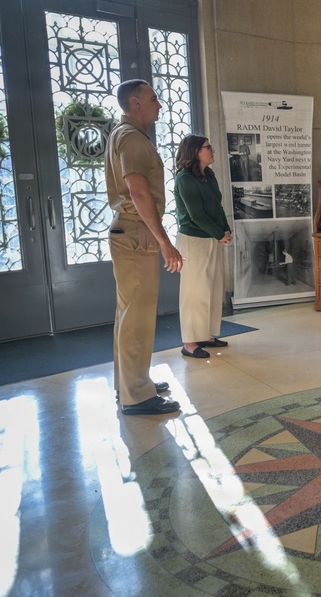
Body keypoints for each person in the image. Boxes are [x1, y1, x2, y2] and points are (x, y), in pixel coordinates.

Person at [105, 79, 183, 415]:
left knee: (128, 313)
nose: (160, 104)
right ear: (135, 103)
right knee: (136, 315)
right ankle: (136, 395)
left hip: (130, 233)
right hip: (137, 234)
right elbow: (138, 194)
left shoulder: (122, 135)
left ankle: (131, 383)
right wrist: (164, 242)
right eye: (153, 98)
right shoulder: (132, 138)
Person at [174, 135, 232, 359]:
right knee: (194, 291)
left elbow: (216, 207)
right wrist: (219, 233)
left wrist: (225, 230)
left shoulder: (208, 175)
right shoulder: (184, 178)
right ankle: (189, 342)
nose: (213, 150)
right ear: (195, 152)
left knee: (212, 287)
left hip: (211, 238)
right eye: (208, 147)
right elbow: (196, 215)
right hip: (193, 241)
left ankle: (205, 335)